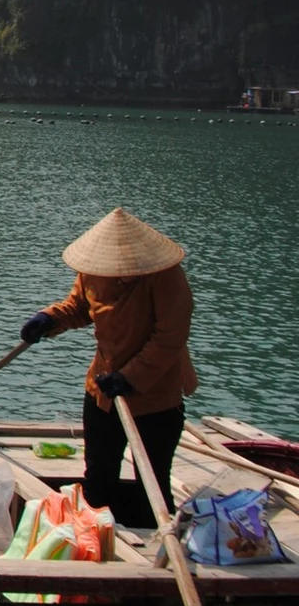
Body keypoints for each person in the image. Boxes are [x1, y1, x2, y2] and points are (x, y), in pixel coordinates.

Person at [18, 207, 198, 526]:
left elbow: (170, 337)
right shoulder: (95, 271)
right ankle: (96, 545)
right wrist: (49, 319)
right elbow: (79, 306)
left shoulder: (166, 277)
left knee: (152, 483)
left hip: (155, 398)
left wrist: (129, 379)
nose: (119, 271)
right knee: (98, 478)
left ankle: (159, 554)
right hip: (102, 391)